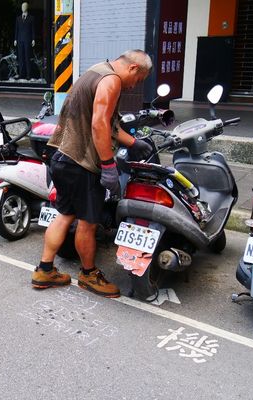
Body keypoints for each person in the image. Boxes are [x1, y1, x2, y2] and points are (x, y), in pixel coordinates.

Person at [31, 50, 154, 298]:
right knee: (87, 223)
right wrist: (108, 165)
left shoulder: (96, 70)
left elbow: (105, 123)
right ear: (133, 69)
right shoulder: (112, 81)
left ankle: (44, 270)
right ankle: (89, 274)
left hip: (62, 157)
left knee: (65, 214)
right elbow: (99, 124)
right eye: (139, 80)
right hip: (82, 163)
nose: (135, 86)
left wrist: (132, 143)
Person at [14, 2, 34, 80]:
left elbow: (33, 30)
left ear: (27, 7)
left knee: (27, 57)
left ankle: (28, 74)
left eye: (25, 6)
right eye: (22, 6)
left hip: (27, 40)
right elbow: (16, 30)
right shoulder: (18, 18)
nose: (23, 7)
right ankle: (21, 74)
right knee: (21, 58)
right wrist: (15, 39)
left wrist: (33, 39)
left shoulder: (31, 18)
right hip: (20, 40)